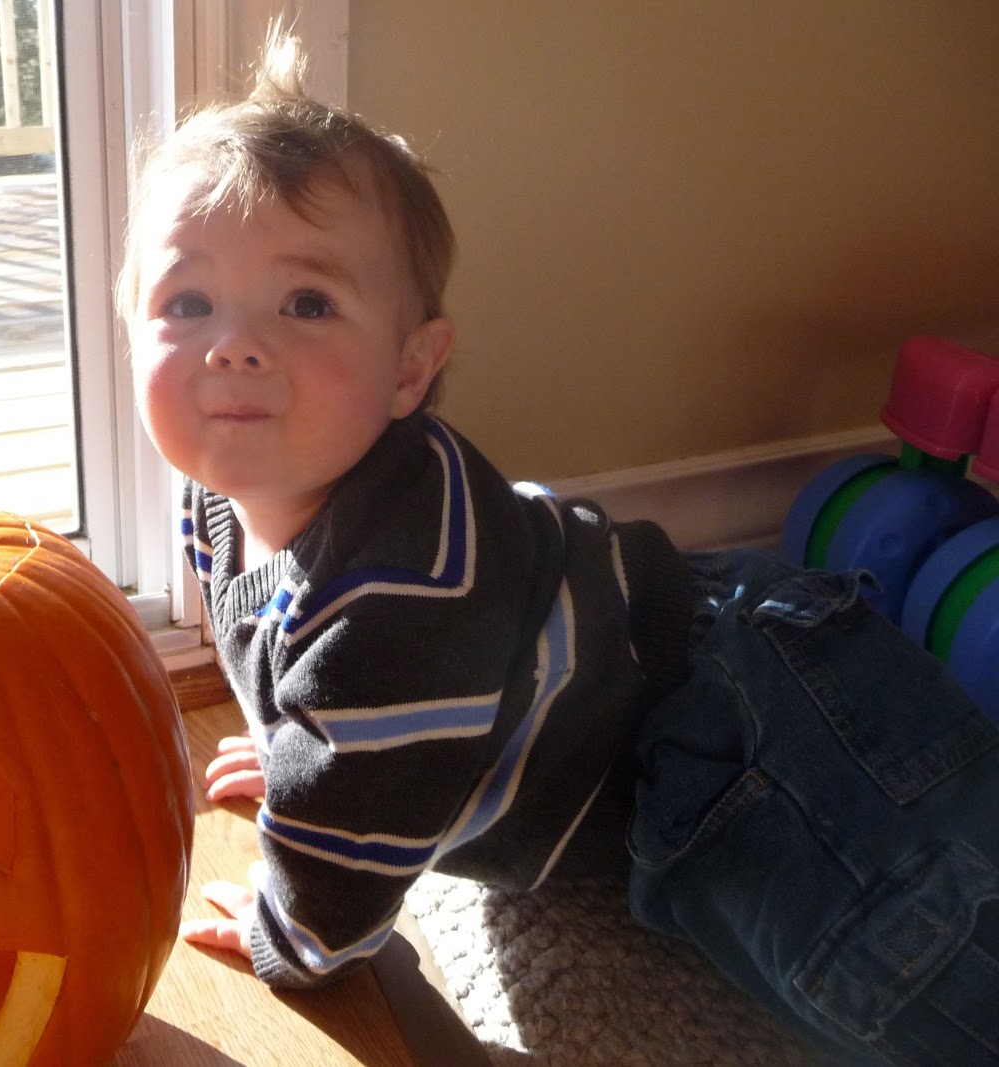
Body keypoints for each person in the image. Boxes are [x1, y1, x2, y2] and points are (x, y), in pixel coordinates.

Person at [118, 24, 999, 1067]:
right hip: (671, 656)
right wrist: (300, 746)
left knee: (915, 973)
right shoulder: (226, 493)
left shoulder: (394, 603)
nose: (234, 344)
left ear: (410, 369)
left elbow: (344, 877)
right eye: (186, 302)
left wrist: (292, 933)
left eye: (306, 302)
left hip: (735, 727)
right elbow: (330, 699)